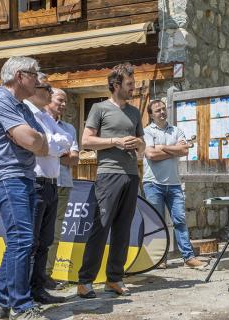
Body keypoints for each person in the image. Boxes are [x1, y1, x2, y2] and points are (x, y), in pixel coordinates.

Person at [0, 56, 49, 320]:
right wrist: (33, 141)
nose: (39, 79)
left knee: (19, 242)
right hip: (8, 179)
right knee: (22, 240)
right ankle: (22, 306)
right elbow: (32, 140)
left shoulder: (21, 107)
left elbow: (39, 143)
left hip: (23, 178)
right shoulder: (0, 101)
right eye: (35, 73)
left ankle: (1, 305)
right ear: (20, 76)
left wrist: (34, 140)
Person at [77, 63, 145, 299]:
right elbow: (86, 140)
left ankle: (114, 279)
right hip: (108, 174)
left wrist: (138, 145)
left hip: (131, 175)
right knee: (101, 226)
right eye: (129, 84)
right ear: (116, 85)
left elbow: (143, 147)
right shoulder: (99, 108)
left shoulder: (135, 112)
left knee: (123, 229)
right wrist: (115, 141)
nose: (133, 88)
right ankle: (85, 281)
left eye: (133, 84)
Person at [24, 76, 72, 304]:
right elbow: (39, 145)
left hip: (52, 184)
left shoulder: (45, 116)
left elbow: (66, 140)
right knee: (30, 242)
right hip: (36, 182)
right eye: (47, 88)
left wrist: (49, 144)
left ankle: (38, 289)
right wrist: (51, 145)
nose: (49, 92)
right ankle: (22, 293)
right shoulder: (27, 112)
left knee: (45, 242)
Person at [142, 100, 204, 268]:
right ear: (151, 114)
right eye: (157, 110)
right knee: (156, 222)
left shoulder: (176, 130)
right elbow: (151, 155)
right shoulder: (146, 131)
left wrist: (161, 147)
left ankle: (188, 257)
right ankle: (159, 259)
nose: (162, 112)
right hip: (153, 183)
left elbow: (184, 151)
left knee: (180, 220)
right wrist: (172, 149)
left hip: (174, 184)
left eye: (163, 109)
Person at [44, 88, 79, 290]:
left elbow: (74, 158)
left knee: (55, 234)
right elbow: (39, 150)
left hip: (63, 184)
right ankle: (33, 276)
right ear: (49, 99)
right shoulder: (38, 122)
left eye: (66, 101)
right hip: (42, 183)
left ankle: (47, 274)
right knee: (38, 233)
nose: (64, 105)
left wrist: (53, 152)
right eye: (60, 100)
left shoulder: (69, 128)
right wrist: (59, 152)